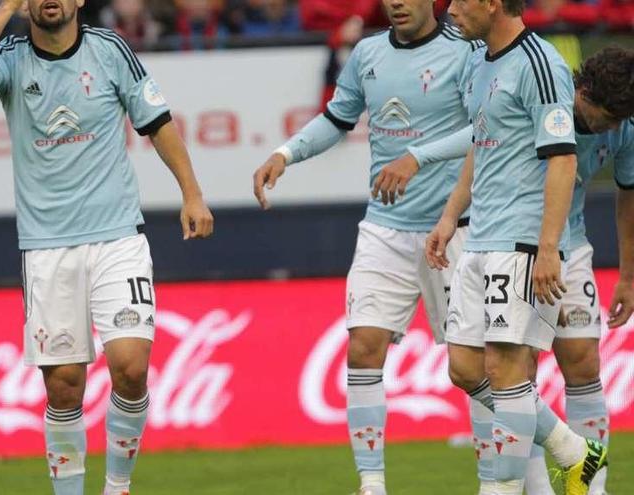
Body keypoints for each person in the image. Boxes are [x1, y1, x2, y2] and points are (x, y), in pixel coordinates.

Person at [0, 1, 214, 494]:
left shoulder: (109, 50)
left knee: (132, 368)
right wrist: (6, 7)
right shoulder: (10, 57)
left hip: (117, 237)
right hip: (48, 247)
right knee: (64, 385)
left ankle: (117, 487)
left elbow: (157, 121)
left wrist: (192, 193)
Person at [378, 45, 634, 495]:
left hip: (566, 248)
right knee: (496, 370)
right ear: (583, 90)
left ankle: (591, 488)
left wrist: (629, 276)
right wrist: (438, 190)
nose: (608, 128)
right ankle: (550, 472)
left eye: (617, 120)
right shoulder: (545, 95)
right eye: (603, 115)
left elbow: (629, 196)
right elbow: (478, 141)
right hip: (508, 243)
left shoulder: (624, 128)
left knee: (581, 362)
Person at [253, 1, 482, 493]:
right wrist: (285, 153)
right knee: (363, 347)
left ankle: (526, 469)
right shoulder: (367, 53)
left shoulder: (466, 50)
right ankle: (372, 484)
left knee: (473, 369)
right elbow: (337, 119)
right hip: (385, 228)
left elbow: (483, 128)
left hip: (456, 227)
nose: (395, 3)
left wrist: (416, 158)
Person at [425, 0, 608, 493]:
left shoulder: (539, 62)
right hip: (481, 234)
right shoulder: (479, 62)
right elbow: (479, 145)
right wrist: (449, 216)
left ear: (492, 2)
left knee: (506, 370)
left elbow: (563, 158)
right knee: (464, 369)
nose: (451, 9)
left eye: (462, 1)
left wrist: (548, 247)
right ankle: (573, 450)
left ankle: (501, 489)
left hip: (522, 240)